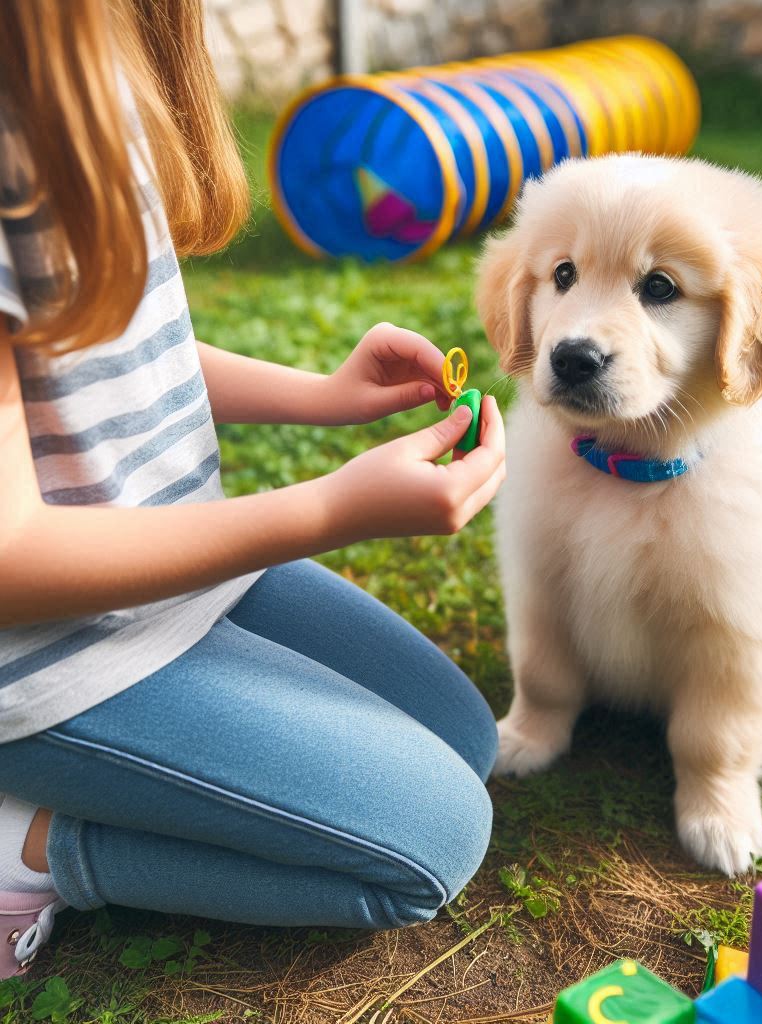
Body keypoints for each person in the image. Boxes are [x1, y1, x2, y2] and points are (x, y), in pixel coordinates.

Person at [0, 0, 505, 977]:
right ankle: (26, 839)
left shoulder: (91, 77)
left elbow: (106, 339)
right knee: (427, 844)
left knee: (463, 738)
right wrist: (331, 509)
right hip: (51, 655)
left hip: (178, 574)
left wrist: (323, 398)